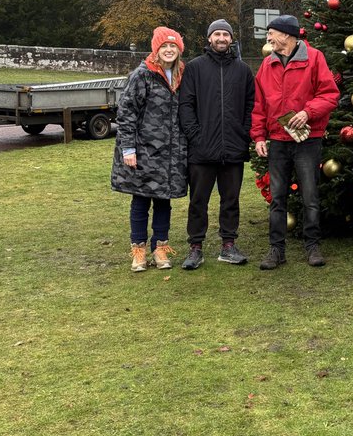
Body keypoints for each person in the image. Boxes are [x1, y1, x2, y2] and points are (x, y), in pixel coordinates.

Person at [251, 14, 339, 270]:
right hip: (278, 141)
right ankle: (276, 250)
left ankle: (312, 246)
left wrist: (307, 112)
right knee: (277, 198)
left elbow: (330, 94)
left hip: (307, 141)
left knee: (310, 195)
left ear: (286, 35)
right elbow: (259, 105)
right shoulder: (267, 65)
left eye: (272, 33)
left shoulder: (315, 59)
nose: (269, 38)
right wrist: (258, 136)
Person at [178, 18, 255, 268]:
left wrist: (244, 133)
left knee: (230, 200)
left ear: (231, 39)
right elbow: (186, 105)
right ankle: (195, 247)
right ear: (209, 38)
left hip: (233, 147)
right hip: (202, 149)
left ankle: (228, 245)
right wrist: (195, 136)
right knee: (198, 200)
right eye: (217, 34)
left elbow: (250, 106)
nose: (222, 38)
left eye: (226, 34)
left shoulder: (242, 70)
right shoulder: (195, 68)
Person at [111, 26, 188, 272]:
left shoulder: (181, 75)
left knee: (164, 201)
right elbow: (126, 114)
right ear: (156, 49)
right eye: (164, 46)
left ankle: (160, 247)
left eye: (172, 46)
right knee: (141, 200)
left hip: (171, 153)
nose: (168, 50)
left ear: (179, 50)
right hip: (144, 151)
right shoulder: (142, 75)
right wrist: (128, 149)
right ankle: (139, 249)